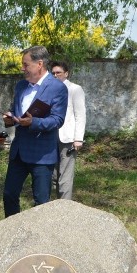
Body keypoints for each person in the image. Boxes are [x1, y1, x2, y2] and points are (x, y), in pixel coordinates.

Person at [2, 45, 68, 217]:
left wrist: (34, 122)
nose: (22, 69)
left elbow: (57, 120)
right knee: (9, 194)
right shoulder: (21, 86)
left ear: (39, 64)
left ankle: (39, 240)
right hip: (19, 152)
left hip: (42, 154)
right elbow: (16, 110)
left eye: (26, 65)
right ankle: (11, 233)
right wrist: (10, 117)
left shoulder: (57, 88)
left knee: (41, 202)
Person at [51, 61, 86, 200]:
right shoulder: (49, 89)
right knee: (52, 174)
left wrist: (78, 138)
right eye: (53, 73)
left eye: (58, 72)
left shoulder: (75, 89)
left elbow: (80, 114)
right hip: (51, 136)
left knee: (65, 175)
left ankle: (65, 207)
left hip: (68, 138)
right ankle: (52, 205)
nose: (55, 75)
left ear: (66, 73)